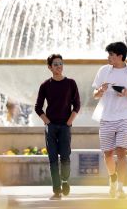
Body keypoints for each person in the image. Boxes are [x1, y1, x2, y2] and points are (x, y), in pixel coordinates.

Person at [92, 42, 127, 199]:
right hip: (106, 117)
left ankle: (120, 188)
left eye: (111, 54)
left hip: (125, 117)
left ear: (120, 56)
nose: (108, 57)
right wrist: (100, 90)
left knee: (121, 152)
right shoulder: (103, 71)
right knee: (108, 154)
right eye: (108, 54)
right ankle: (113, 178)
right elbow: (95, 95)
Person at [34, 54, 80, 200]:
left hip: (65, 127)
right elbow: (38, 107)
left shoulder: (71, 83)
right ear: (49, 67)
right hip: (51, 127)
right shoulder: (45, 85)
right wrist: (47, 122)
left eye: (60, 64)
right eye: (55, 64)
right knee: (53, 159)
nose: (59, 67)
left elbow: (77, 105)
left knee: (65, 157)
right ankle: (56, 190)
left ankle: (65, 180)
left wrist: (69, 122)